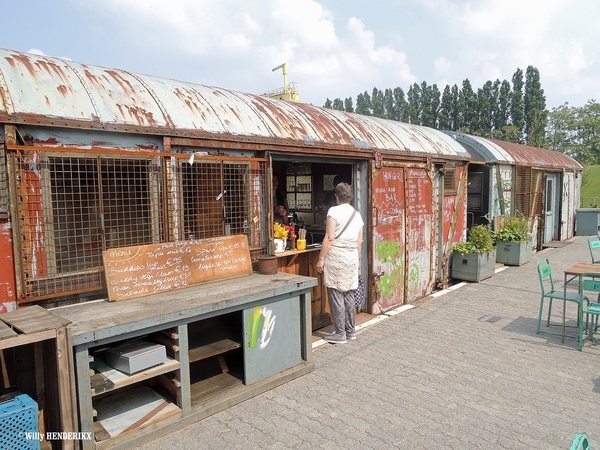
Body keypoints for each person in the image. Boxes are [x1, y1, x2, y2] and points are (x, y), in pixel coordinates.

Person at [316, 182, 364, 344]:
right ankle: (351, 331)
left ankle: (340, 333)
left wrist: (321, 259)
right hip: (351, 257)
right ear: (349, 197)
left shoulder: (333, 211)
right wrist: (355, 259)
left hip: (337, 256)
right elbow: (360, 241)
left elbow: (329, 238)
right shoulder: (357, 215)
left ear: (336, 196)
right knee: (349, 294)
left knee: (336, 294)